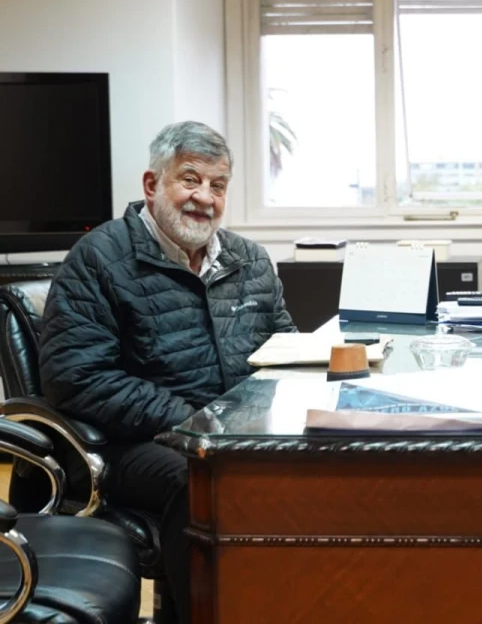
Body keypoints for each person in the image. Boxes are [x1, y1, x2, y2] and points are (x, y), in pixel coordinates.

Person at [38, 121, 297, 623]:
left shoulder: (250, 261)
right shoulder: (98, 259)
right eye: (190, 179)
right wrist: (195, 421)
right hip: (126, 444)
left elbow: (283, 349)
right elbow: (77, 377)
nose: (205, 197)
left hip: (231, 435)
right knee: (201, 477)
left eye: (218, 186)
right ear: (153, 185)